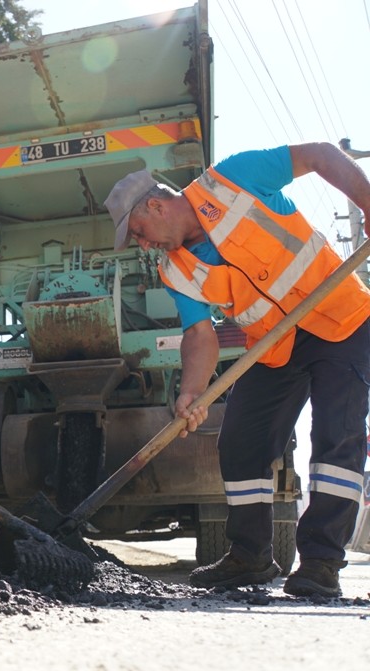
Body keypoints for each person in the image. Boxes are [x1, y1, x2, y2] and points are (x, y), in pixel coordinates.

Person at [104, 142, 370, 597]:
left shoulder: (233, 177)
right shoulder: (175, 270)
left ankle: (321, 564)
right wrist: (191, 392)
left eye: (141, 232)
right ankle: (251, 556)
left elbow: (321, 155)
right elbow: (199, 336)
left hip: (340, 319)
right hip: (275, 346)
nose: (144, 245)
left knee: (336, 437)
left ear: (155, 204)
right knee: (240, 442)